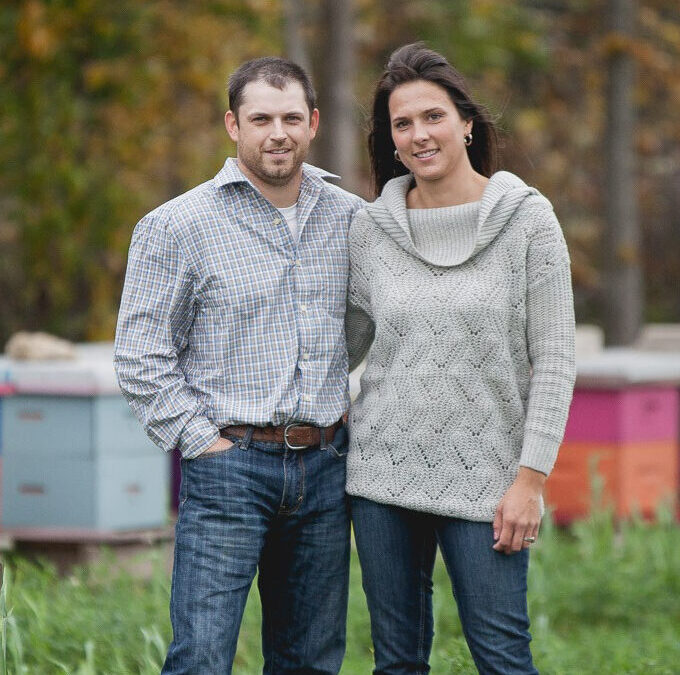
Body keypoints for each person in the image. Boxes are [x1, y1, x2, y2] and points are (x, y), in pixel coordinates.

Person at [114, 56, 363, 675]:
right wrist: (201, 442)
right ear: (233, 124)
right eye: (260, 119)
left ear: (313, 123)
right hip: (231, 467)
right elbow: (140, 354)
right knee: (201, 655)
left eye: (289, 118)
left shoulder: (352, 218)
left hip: (326, 466)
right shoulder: (176, 226)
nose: (276, 133)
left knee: (310, 660)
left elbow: (362, 326)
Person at [345, 43, 576, 674]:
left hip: (491, 481)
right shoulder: (370, 231)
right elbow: (341, 347)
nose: (419, 134)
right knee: (395, 664)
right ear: (390, 141)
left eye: (433, 116)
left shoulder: (528, 221)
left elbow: (555, 360)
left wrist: (530, 480)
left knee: (502, 659)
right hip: (381, 479)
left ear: (467, 123)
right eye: (402, 123)